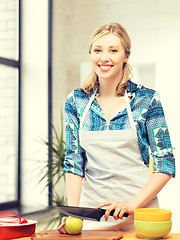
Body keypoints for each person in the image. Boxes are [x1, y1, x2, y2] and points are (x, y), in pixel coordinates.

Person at [58, 23, 175, 233]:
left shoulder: (147, 99)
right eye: (98, 50)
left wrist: (130, 206)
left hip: (140, 214)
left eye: (113, 50)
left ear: (126, 56)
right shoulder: (76, 101)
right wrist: (74, 214)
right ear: (91, 54)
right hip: (94, 216)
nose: (104, 58)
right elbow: (74, 160)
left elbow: (165, 164)